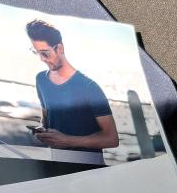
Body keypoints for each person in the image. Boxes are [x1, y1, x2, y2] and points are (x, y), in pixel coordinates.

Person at [26, 19, 119, 151]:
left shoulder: (89, 87)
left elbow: (111, 139)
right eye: (37, 52)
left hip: (87, 163)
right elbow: (46, 120)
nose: (41, 59)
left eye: (45, 53)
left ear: (59, 48)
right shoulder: (41, 80)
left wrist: (68, 141)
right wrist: (43, 131)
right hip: (55, 161)